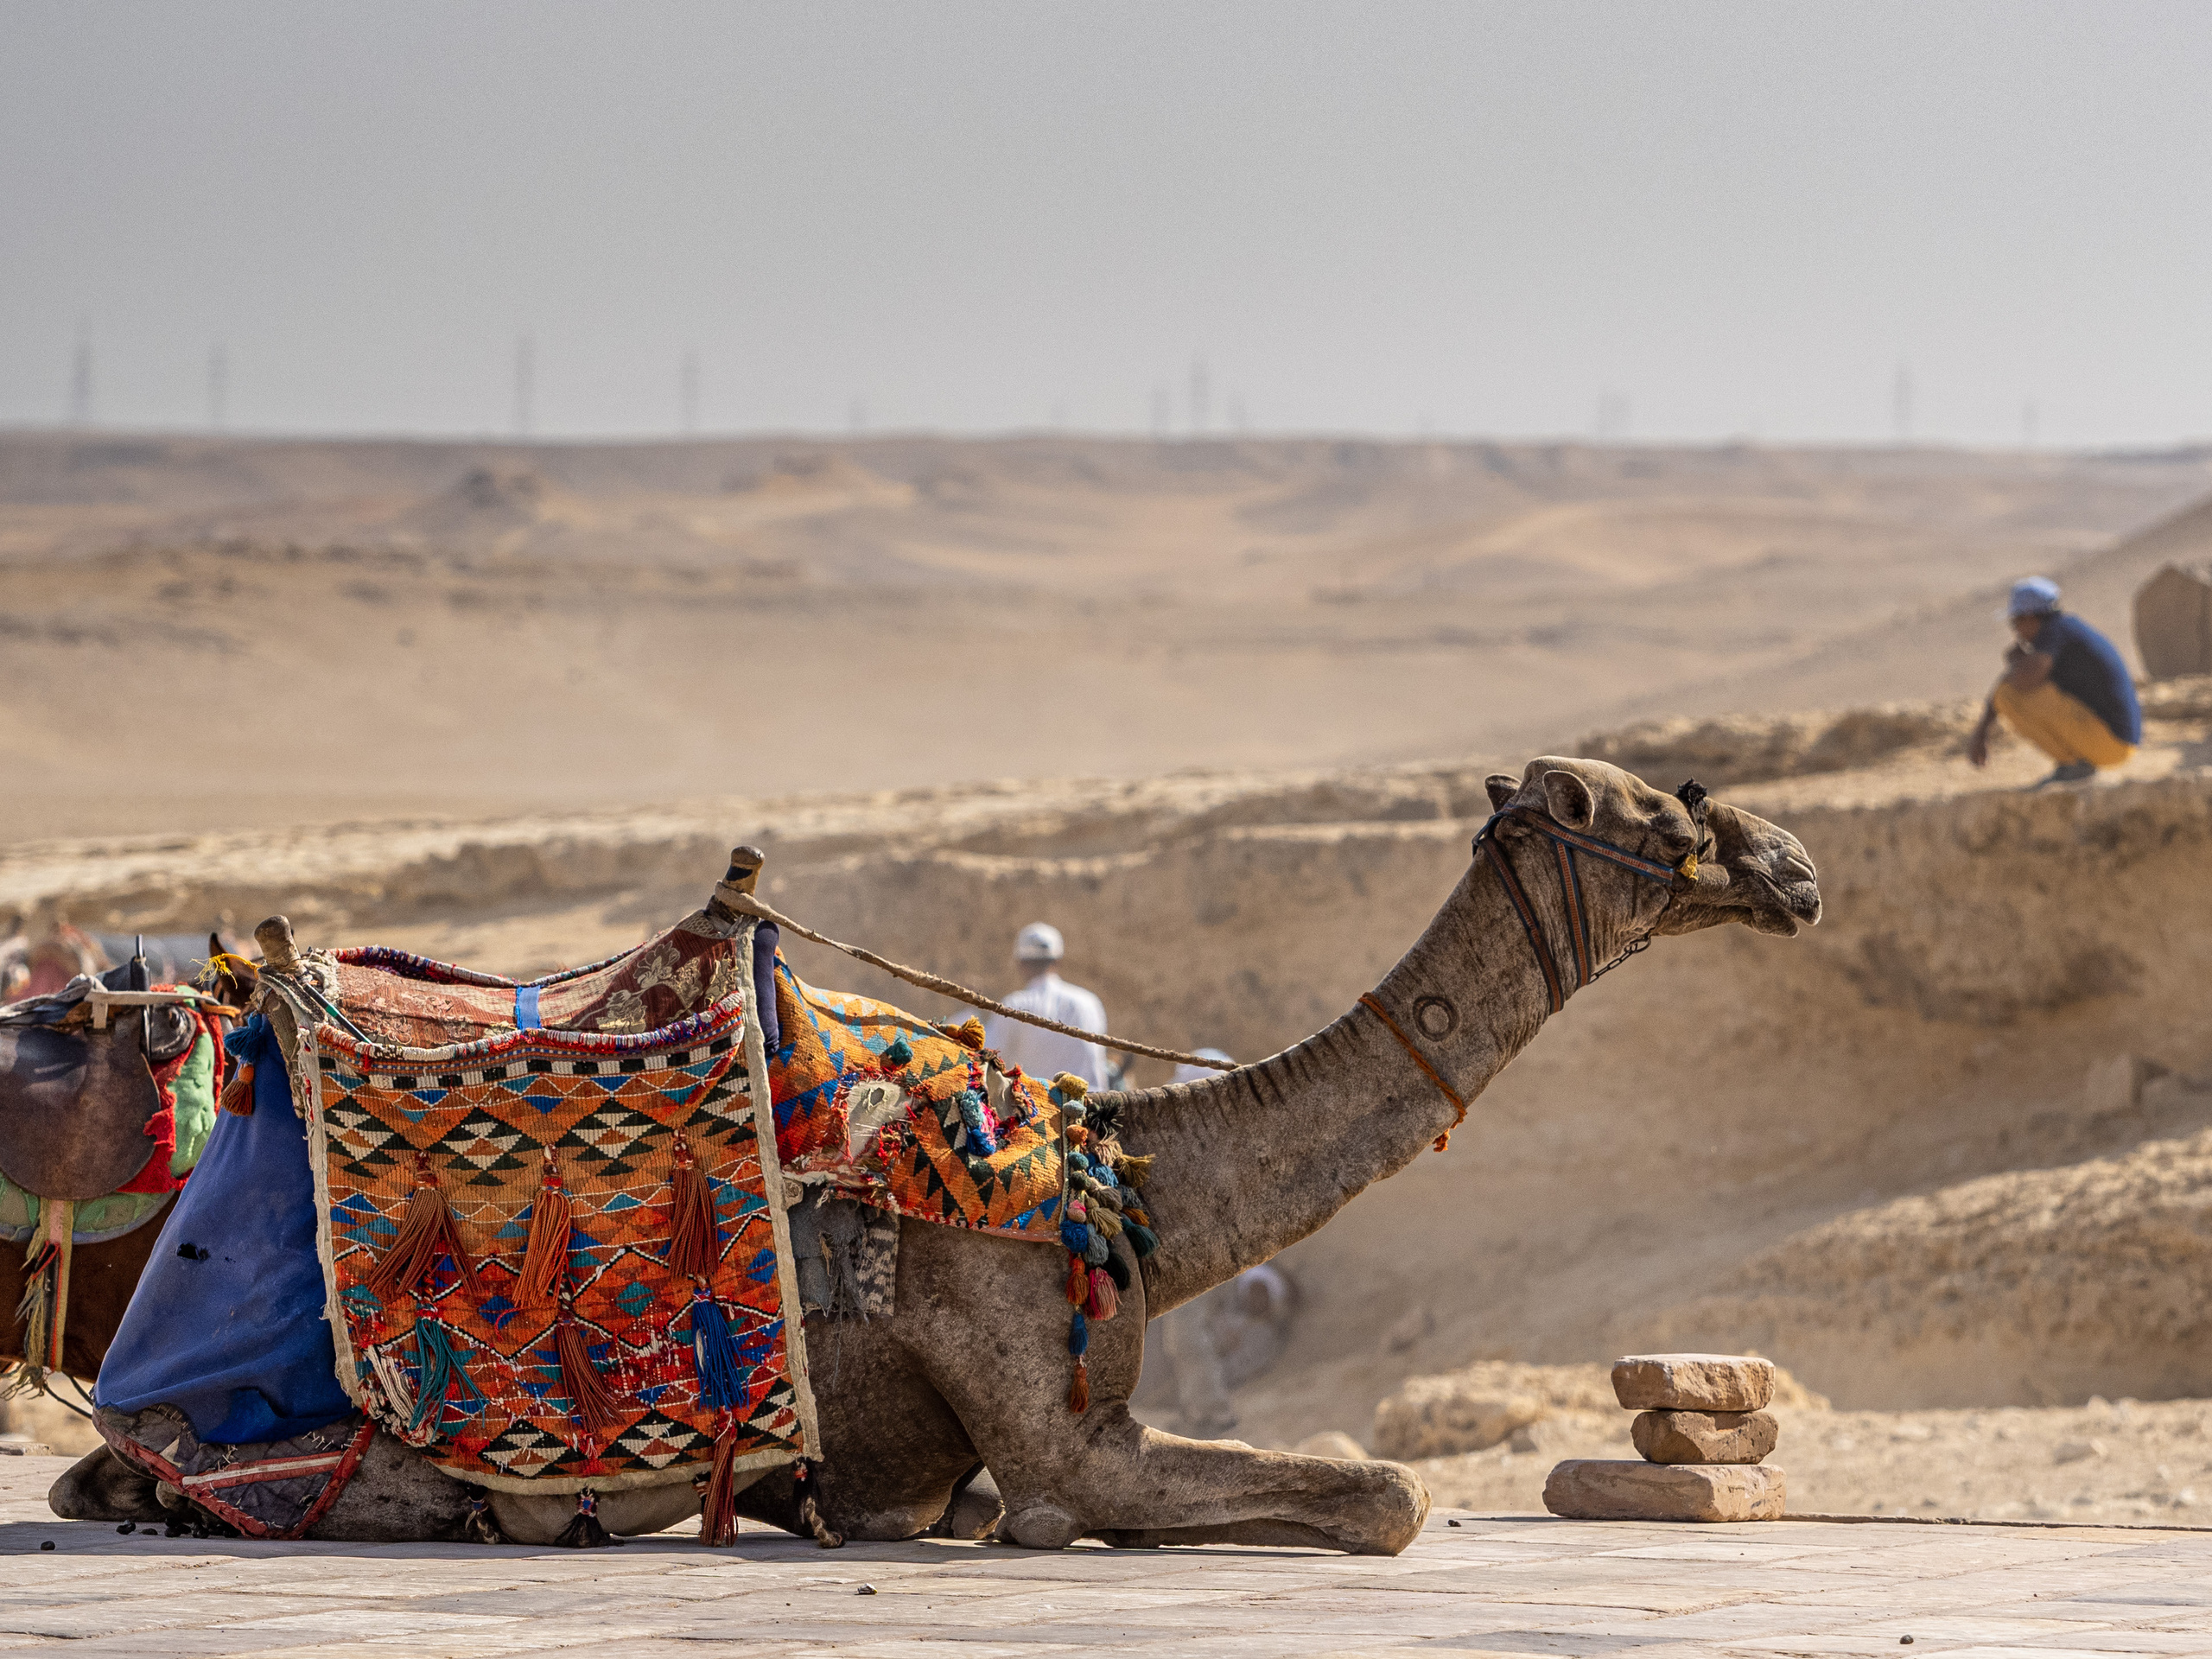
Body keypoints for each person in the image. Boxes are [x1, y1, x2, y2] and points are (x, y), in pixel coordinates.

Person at [1968, 577, 2141, 787]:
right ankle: (2074, 765)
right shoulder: (2064, 630)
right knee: (2009, 690)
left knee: (2010, 696)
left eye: (2015, 622)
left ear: (2029, 617)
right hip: (2118, 742)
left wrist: (2016, 663)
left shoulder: (2053, 634)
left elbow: (2020, 683)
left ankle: (2073, 766)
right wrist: (1981, 731)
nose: (2015, 631)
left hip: (2110, 742)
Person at [981, 922, 1109, 1090]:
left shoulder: (1015, 1005)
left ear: (1022, 963)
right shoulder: (1089, 1002)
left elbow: (989, 1059)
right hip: (1091, 1103)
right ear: (1058, 960)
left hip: (1035, 1104)